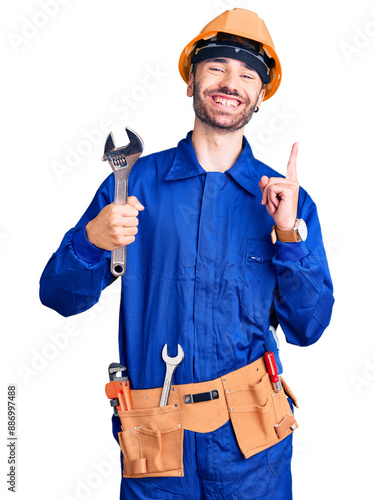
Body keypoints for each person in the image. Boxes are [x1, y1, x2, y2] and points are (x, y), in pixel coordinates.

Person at [40, 8, 334, 500]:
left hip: (253, 455)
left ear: (261, 96)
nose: (230, 82)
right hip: (156, 447)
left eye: (247, 75)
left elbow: (310, 328)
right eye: (217, 66)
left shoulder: (287, 202)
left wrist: (288, 237)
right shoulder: (133, 187)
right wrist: (92, 239)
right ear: (191, 78)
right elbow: (58, 296)